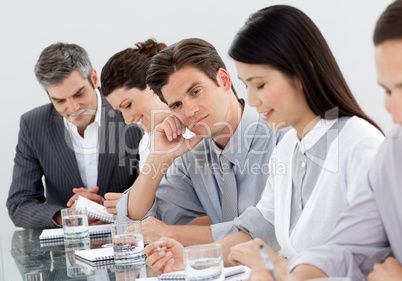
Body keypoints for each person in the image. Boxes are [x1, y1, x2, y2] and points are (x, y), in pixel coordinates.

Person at [144, 5, 385, 274]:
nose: (253, 100)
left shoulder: (358, 144)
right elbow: (254, 232)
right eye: (246, 85)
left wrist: (278, 268)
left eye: (260, 85)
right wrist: (187, 258)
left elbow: (371, 265)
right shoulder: (288, 150)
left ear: (301, 72)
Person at [278, 0, 402, 280]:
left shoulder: (360, 141)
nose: (395, 115)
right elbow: (347, 247)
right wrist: (298, 275)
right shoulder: (393, 153)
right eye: (388, 92)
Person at [120, 37, 285, 246]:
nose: (190, 111)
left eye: (195, 92)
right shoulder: (193, 157)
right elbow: (134, 224)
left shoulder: (282, 139)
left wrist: (171, 234)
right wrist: (157, 159)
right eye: (177, 105)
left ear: (224, 80)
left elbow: (269, 230)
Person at [7, 42, 143, 228]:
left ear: (94, 79)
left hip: (128, 236)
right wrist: (68, 217)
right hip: (69, 245)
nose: (73, 108)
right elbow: (19, 204)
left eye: (79, 94)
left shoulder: (129, 112)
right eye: (60, 100)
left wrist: (113, 206)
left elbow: (156, 187)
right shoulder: (33, 125)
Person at [99, 38, 171, 220]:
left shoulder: (197, 133)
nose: (127, 119)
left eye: (128, 104)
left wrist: (129, 204)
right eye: (120, 111)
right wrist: (127, 202)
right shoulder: (146, 140)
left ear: (154, 84)